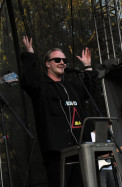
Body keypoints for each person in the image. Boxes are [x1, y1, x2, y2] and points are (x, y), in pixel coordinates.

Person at [21, 36, 98, 187]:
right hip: (57, 154)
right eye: (57, 60)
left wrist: (88, 66)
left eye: (64, 60)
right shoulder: (41, 86)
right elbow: (28, 80)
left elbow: (89, 92)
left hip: (80, 150)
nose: (62, 62)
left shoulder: (71, 87)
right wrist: (30, 53)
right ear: (47, 64)